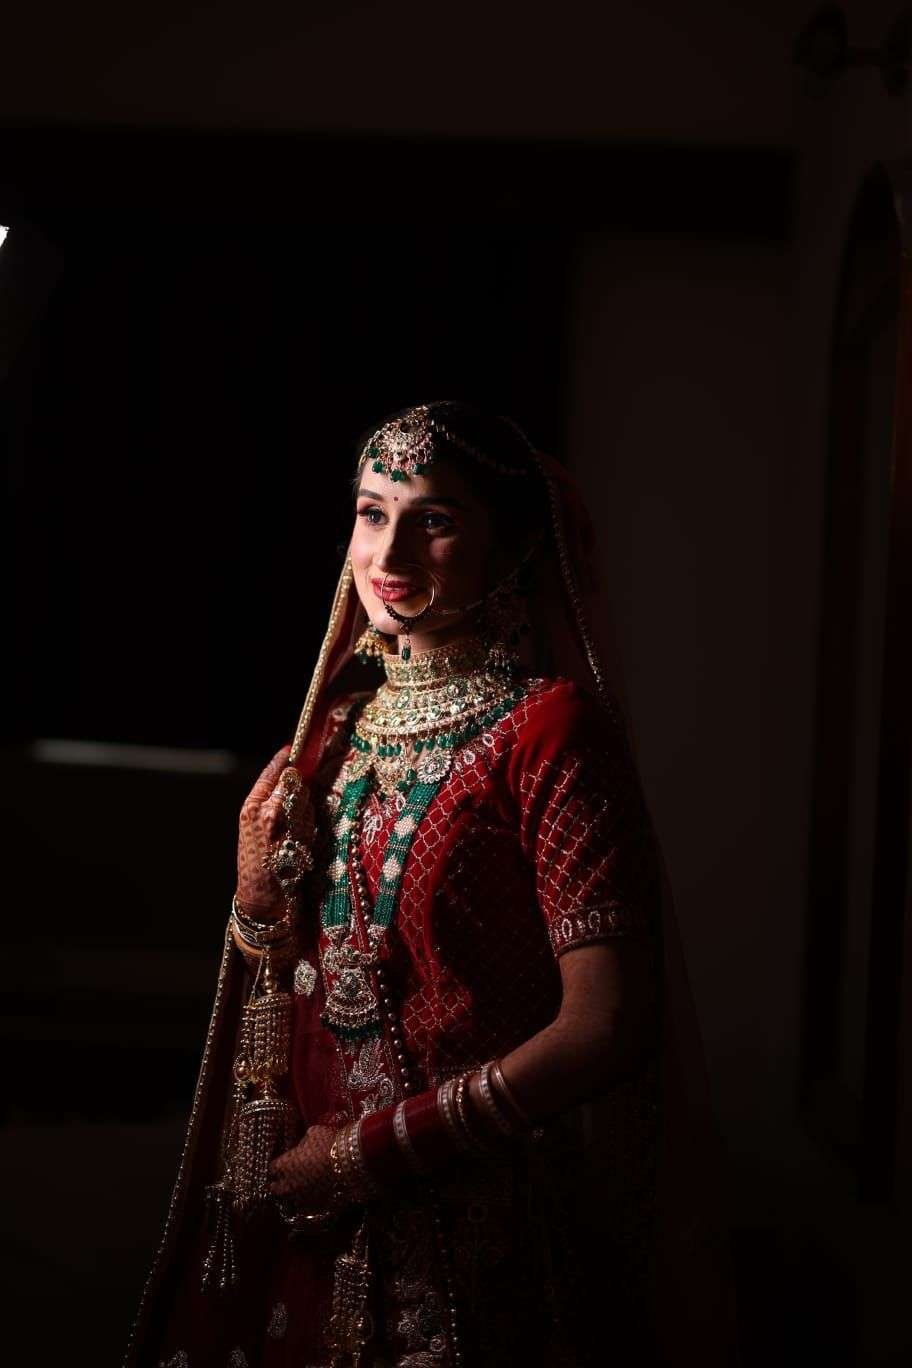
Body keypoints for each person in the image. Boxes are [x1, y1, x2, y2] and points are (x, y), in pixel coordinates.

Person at [124, 401, 738, 1367]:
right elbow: (292, 980)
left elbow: (608, 1022)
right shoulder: (336, 730)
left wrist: (370, 1154)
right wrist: (253, 905)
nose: (390, 550)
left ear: (513, 546)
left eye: (436, 519)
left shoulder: (551, 733)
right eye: (372, 513)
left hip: (475, 1246)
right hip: (313, 1224)